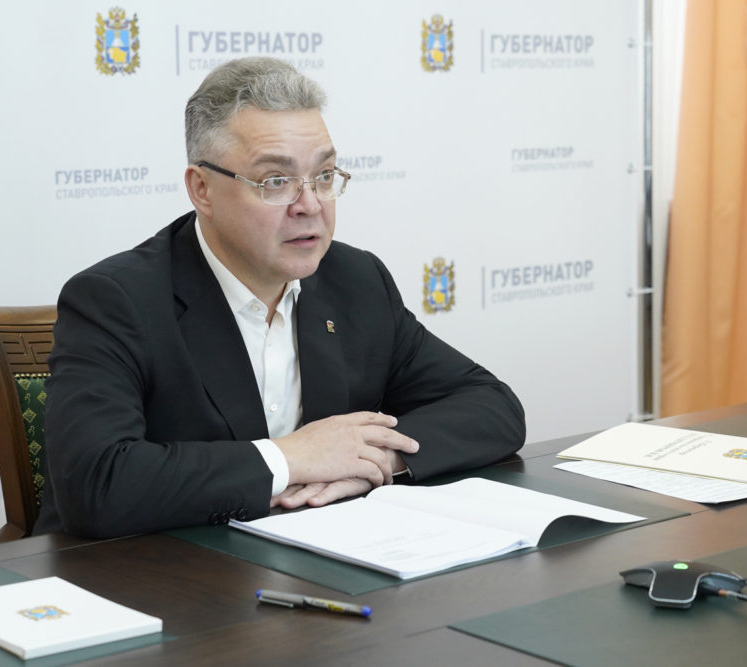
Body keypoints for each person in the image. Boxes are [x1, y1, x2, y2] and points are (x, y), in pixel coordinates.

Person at [34, 57, 526, 539]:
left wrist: (374, 459)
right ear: (202, 189)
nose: (309, 205)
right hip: (150, 575)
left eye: (325, 176)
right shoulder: (115, 301)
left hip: (319, 562)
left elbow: (493, 407)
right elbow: (97, 483)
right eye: (275, 182)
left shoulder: (356, 281)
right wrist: (290, 458)